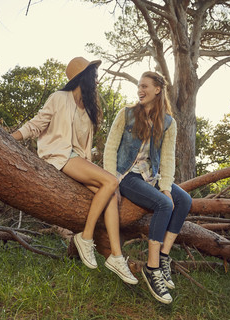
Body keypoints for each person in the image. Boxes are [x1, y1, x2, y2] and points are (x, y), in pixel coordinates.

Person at [11, 57, 138, 285]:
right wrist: (10, 138)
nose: (97, 79)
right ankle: (86, 237)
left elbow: (83, 150)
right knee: (111, 183)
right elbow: (36, 124)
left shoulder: (88, 109)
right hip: (59, 157)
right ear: (83, 77)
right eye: (94, 74)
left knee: (110, 193)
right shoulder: (59, 98)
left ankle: (116, 256)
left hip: (78, 161)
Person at [103, 71, 192, 304]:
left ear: (157, 90)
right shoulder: (127, 114)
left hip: (150, 176)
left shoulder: (169, 123)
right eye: (138, 87)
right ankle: (152, 270)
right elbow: (110, 148)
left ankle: (163, 257)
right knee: (163, 204)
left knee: (183, 200)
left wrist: (165, 186)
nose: (139, 90)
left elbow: (168, 158)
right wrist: (111, 182)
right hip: (127, 175)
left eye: (144, 86)